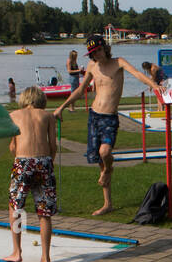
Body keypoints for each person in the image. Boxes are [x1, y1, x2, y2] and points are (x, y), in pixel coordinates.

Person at [55, 33, 160, 216]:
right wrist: (62, 107)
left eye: (97, 52)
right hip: (94, 116)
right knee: (100, 163)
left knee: (105, 153)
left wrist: (155, 85)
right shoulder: (92, 66)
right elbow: (81, 89)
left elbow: (136, 73)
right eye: (92, 54)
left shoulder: (118, 62)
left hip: (110, 117)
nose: (96, 56)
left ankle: (109, 169)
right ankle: (107, 203)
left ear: (105, 48)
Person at [5, 87, 58, 262]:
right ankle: (45, 258)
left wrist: (19, 157)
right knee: (44, 212)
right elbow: (53, 145)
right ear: (41, 100)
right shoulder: (48, 116)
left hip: (23, 161)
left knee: (16, 207)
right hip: (44, 162)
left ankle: (17, 251)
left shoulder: (14, 115)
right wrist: (47, 162)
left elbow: (13, 146)